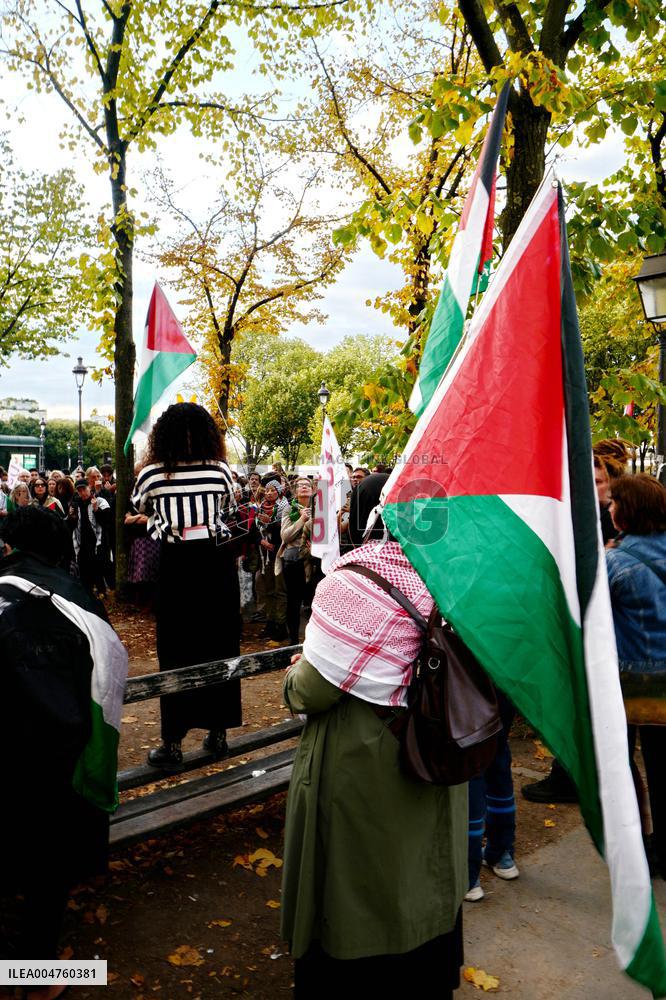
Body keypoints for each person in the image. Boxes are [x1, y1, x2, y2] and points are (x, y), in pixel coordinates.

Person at [281, 478, 466, 996]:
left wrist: (297, 672)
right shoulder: (453, 575)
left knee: (360, 891)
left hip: (367, 765)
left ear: (368, 516)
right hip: (437, 750)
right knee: (424, 875)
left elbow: (311, 691)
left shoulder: (354, 582)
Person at [0, 506, 127, 995]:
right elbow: (108, 676)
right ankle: (39, 978)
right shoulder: (78, 599)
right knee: (46, 866)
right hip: (54, 756)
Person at [132, 402, 242, 771]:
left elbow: (140, 506)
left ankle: (172, 742)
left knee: (175, 647)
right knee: (220, 642)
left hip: (176, 564)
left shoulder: (151, 474)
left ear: (163, 435)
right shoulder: (220, 471)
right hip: (215, 563)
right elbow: (230, 508)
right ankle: (218, 734)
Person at [606, 473, 666, 877]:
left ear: (625, 512)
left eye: (613, 502)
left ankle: (634, 842)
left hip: (635, 680)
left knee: (622, 761)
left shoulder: (616, 562)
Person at [279, 476, 314, 646]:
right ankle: (293, 641)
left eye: (307, 485)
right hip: (294, 560)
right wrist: (302, 520)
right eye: (300, 486)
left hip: (314, 560)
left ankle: (313, 641)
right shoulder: (289, 509)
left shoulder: (320, 509)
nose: (304, 487)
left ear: (313, 490)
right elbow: (285, 536)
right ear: (295, 491)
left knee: (314, 601)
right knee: (293, 601)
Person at [255, 480, 289, 640]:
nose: (268, 493)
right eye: (266, 490)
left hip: (279, 553)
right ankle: (270, 622)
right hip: (264, 555)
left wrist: (270, 524)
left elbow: (285, 530)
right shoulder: (261, 507)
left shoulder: (286, 507)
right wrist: (261, 541)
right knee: (268, 589)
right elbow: (253, 528)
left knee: (279, 590)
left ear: (279, 491)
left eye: (272, 490)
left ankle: (281, 626)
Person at [68, 479, 111, 595]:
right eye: (79, 490)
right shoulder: (75, 504)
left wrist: (96, 509)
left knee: (99, 570)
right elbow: (71, 525)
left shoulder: (100, 501)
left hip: (98, 543)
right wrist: (71, 517)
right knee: (84, 572)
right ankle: (87, 595)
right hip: (82, 543)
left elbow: (107, 522)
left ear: (89, 488)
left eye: (84, 489)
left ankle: (103, 592)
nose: (83, 493)